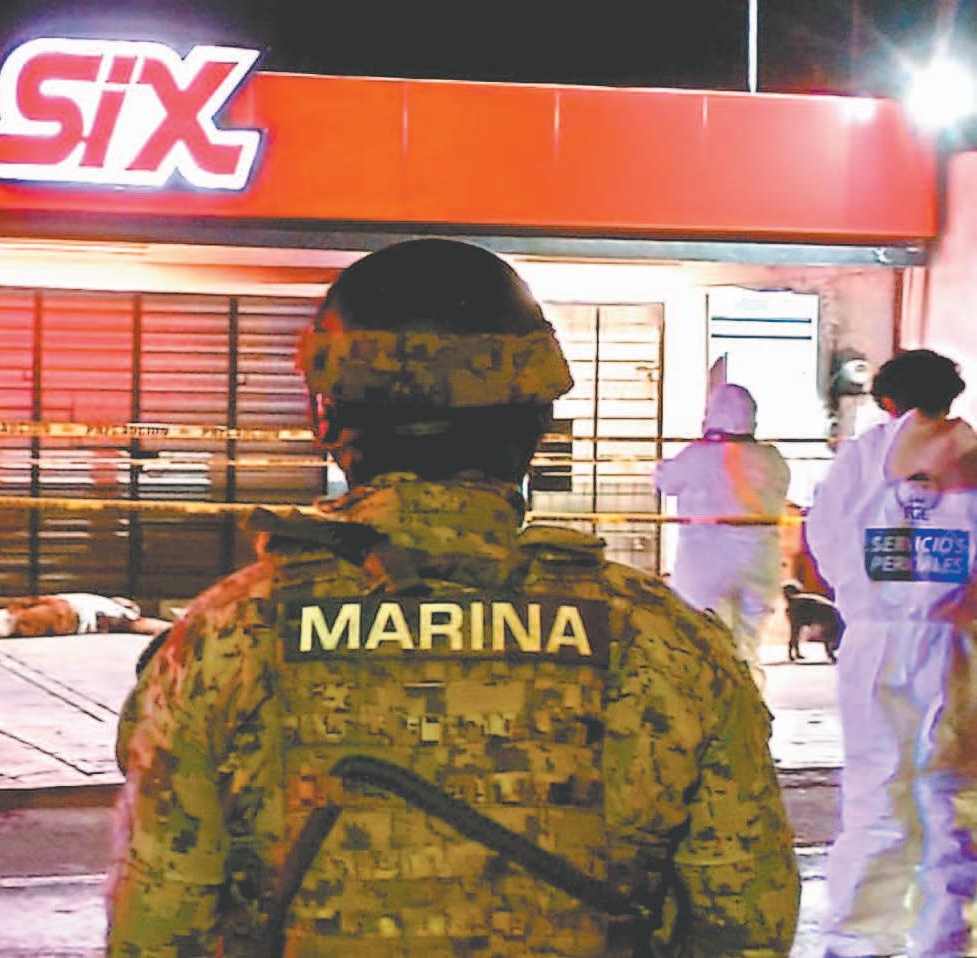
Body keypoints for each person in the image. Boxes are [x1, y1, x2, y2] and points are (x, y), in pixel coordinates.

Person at [107, 239, 798, 956]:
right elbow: (746, 925)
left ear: (325, 418)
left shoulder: (224, 640)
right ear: (538, 421)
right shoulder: (666, 646)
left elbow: (156, 928)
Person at [806, 348, 977, 958]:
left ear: (884, 400)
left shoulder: (858, 460)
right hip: (959, 648)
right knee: (954, 800)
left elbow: (824, 537)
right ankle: (948, 940)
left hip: (873, 643)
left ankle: (857, 940)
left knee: (875, 793)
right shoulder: (973, 455)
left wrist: (867, 596)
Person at [652, 384, 791, 690]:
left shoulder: (697, 456)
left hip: (705, 565)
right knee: (748, 646)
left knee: (706, 645)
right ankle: (750, 706)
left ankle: (713, 708)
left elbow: (665, 481)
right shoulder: (771, 458)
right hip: (760, 563)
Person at [0, 593, 171, 640]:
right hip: (54, 602)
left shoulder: (123, 615)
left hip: (68, 614)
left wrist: (182, 628)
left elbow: (149, 626)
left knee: (12, 623)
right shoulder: (103, 600)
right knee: (0, 614)